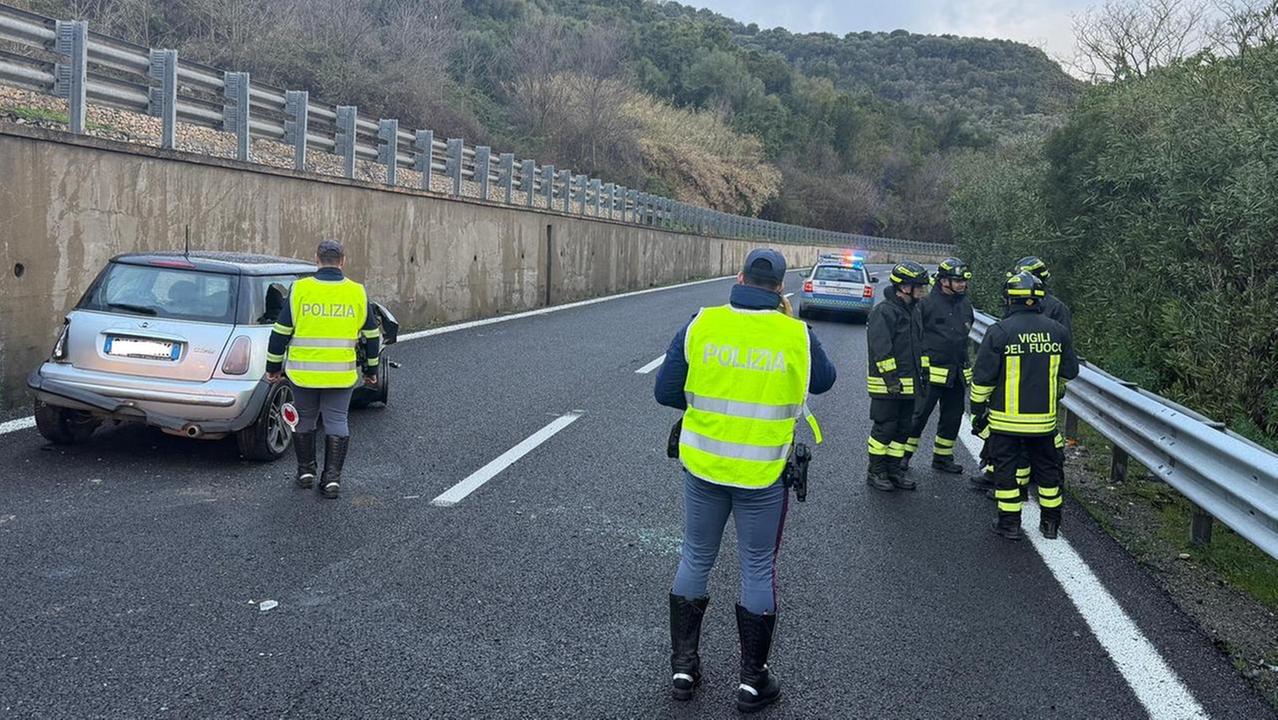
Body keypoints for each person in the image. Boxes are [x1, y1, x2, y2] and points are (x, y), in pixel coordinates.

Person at [654, 248, 836, 713]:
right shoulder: (796, 334)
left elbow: (665, 390)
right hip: (762, 473)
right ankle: (753, 681)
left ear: (738, 278)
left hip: (704, 466)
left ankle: (683, 668)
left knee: (695, 556)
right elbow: (825, 382)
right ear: (780, 288)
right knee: (757, 567)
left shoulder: (702, 323)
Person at [266, 239, 380, 499]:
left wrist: (273, 367)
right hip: (340, 374)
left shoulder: (300, 290)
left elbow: (280, 333)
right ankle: (331, 480)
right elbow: (372, 337)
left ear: (316, 259)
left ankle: (306, 472)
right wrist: (371, 371)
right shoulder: (357, 292)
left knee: (304, 419)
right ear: (343, 261)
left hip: (303, 373)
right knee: (337, 421)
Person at [969, 271, 1079, 540]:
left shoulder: (1000, 331)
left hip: (1006, 422)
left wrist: (977, 409)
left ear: (1010, 300)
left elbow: (983, 378)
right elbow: (1070, 371)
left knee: (1006, 473)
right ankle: (1051, 524)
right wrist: (1053, 386)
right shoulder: (1058, 331)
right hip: (1044, 422)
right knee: (1048, 472)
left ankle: (1009, 524)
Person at [903, 258, 974, 475]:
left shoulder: (964, 304)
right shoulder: (926, 304)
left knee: (952, 417)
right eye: (957, 280)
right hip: (931, 374)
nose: (962, 284)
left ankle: (942, 457)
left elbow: (965, 337)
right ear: (943, 281)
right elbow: (915, 336)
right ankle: (903, 457)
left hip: (956, 374)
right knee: (918, 416)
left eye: (963, 280)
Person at [865, 260, 930, 492]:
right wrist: (891, 380)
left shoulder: (913, 311)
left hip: (909, 385)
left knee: (903, 429)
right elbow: (881, 350)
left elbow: (918, 347)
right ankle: (876, 471)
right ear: (904, 288)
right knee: (885, 428)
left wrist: (923, 375)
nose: (922, 291)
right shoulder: (883, 312)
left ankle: (894, 470)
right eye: (918, 286)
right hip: (887, 386)